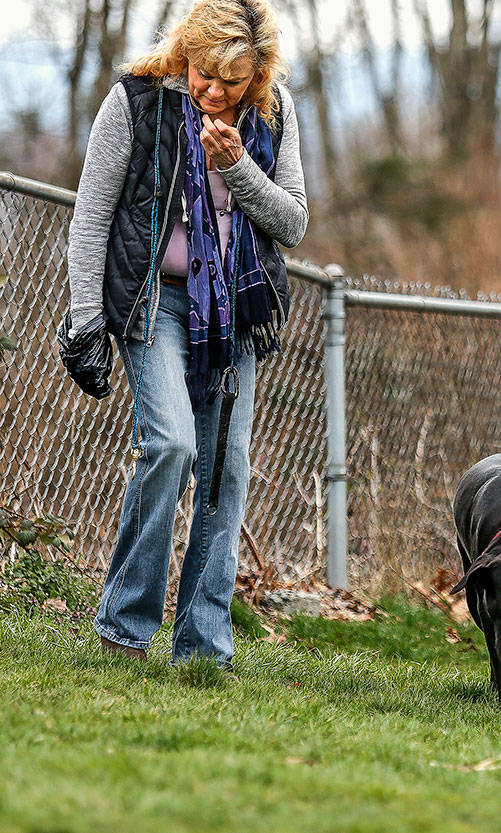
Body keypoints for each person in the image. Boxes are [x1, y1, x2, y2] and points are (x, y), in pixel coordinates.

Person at [62, 0, 306, 671]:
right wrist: (86, 319)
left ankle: (203, 649)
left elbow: (292, 223)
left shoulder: (274, 113)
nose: (212, 90)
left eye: (231, 80)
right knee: (169, 444)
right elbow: (90, 219)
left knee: (225, 475)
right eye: (203, 72)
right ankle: (125, 625)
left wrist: (236, 168)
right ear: (186, 53)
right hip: (154, 304)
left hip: (236, 314)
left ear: (256, 75)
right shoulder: (137, 102)